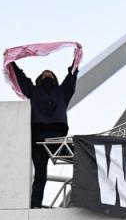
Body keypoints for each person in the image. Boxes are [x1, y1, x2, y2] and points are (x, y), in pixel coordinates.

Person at [8, 61, 78, 208]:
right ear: (40, 79)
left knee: (80, 159)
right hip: (40, 137)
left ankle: (80, 195)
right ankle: (35, 207)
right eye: (45, 74)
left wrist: (75, 62)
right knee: (41, 175)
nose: (48, 75)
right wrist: (12, 63)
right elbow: (22, 79)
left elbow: (71, 79)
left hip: (55, 136)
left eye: (50, 74)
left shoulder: (61, 92)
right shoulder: (34, 91)